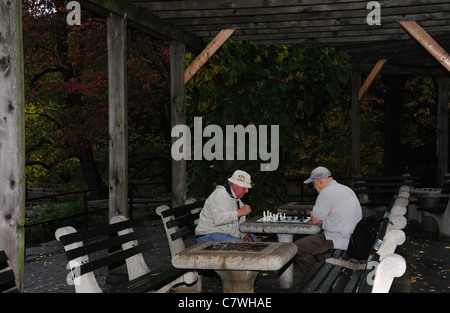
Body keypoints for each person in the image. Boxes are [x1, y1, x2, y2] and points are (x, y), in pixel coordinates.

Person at [294, 166, 362, 274]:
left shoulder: (326, 192)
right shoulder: (346, 188)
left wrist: (317, 217)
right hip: (352, 238)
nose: (314, 187)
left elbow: (315, 220)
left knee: (296, 248)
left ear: (320, 181)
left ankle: (313, 280)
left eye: (313, 183)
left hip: (337, 240)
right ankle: (322, 274)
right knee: (314, 246)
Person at [195, 170, 257, 242]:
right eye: (244, 188)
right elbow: (217, 219)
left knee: (253, 239)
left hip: (225, 234)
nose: (247, 191)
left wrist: (244, 235)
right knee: (241, 244)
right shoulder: (219, 195)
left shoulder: (237, 199)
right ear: (235, 185)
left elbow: (235, 226)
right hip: (208, 234)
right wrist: (238, 212)